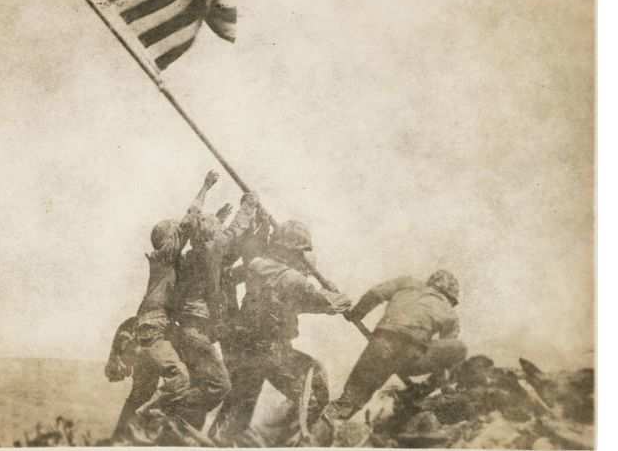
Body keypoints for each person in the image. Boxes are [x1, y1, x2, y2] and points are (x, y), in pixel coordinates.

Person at [210, 220, 351, 446]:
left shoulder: (256, 265)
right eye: (303, 254)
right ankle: (289, 444)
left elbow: (227, 277)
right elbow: (329, 303)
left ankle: (216, 442)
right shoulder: (293, 280)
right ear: (294, 252)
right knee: (315, 388)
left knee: (239, 406)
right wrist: (337, 295)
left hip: (245, 346)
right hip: (274, 352)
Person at [107, 170, 221, 443]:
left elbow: (195, 233)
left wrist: (219, 221)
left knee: (142, 390)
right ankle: (148, 422)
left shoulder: (167, 261)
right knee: (178, 378)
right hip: (154, 329)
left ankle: (120, 438)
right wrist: (206, 187)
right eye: (176, 234)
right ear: (169, 239)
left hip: (152, 329)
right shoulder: (166, 255)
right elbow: (190, 218)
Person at [311, 269, 468, 445]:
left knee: (347, 403)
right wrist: (441, 386)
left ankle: (310, 436)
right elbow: (445, 356)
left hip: (380, 346)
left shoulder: (407, 282)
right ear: (451, 297)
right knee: (458, 348)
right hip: (411, 356)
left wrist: (357, 313)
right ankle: (422, 391)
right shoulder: (450, 314)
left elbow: (375, 294)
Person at [170, 187, 261, 429]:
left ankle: (181, 429)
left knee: (199, 383)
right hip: (198, 332)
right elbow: (236, 230)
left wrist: (216, 218)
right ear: (212, 235)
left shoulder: (190, 256)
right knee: (220, 386)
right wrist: (249, 203)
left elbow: (201, 226)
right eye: (217, 230)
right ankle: (166, 410)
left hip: (186, 330)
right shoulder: (214, 250)